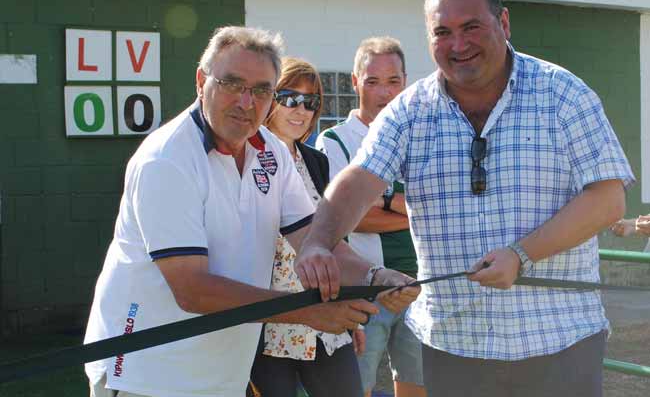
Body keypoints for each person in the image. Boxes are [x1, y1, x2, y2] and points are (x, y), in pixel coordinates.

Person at [296, 0, 635, 397]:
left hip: (559, 342)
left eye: (471, 27)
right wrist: (317, 242)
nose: (458, 45)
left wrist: (521, 255)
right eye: (442, 32)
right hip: (454, 347)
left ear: (504, 23)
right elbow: (358, 180)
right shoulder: (409, 112)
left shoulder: (563, 94)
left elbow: (608, 200)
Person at [83, 26, 419, 397]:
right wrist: (309, 313)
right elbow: (192, 290)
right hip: (146, 374)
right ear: (201, 81)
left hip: (222, 374)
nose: (246, 101)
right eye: (232, 83)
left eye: (261, 90)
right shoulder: (167, 160)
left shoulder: (271, 152)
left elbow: (312, 238)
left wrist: (377, 276)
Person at [316, 37, 425, 397]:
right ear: (355, 82)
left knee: (415, 386)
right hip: (364, 287)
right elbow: (348, 218)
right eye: (373, 81)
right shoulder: (335, 141)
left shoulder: (418, 138)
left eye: (393, 81)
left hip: (417, 287)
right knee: (356, 387)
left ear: (405, 81)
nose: (385, 92)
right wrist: (411, 209)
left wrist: (386, 203)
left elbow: (433, 207)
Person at [249, 57, 364, 397]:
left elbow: (331, 239)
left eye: (311, 102)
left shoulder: (316, 160)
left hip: (326, 321)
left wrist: (347, 310)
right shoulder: (244, 157)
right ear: (270, 98)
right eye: (290, 98)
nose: (301, 109)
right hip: (269, 325)